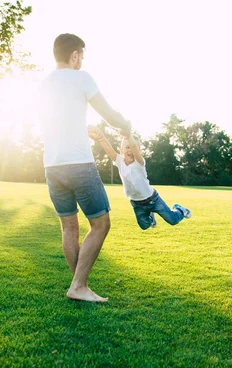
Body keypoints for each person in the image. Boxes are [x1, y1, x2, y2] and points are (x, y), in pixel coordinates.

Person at [36, 34, 131, 302]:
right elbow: (108, 113)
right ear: (75, 55)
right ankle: (78, 285)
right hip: (79, 163)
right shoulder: (82, 78)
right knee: (100, 223)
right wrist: (125, 126)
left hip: (52, 165)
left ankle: (79, 284)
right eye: (81, 56)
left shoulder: (42, 85)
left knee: (69, 227)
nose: (81, 61)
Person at [88, 126, 192, 230]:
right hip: (137, 204)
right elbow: (108, 148)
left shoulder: (139, 163)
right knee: (145, 225)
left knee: (172, 220)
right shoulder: (119, 162)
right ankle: (150, 216)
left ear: (138, 151)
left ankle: (180, 210)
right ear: (121, 150)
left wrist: (128, 135)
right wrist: (99, 137)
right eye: (127, 147)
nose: (131, 150)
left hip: (153, 200)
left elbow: (134, 147)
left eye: (134, 148)